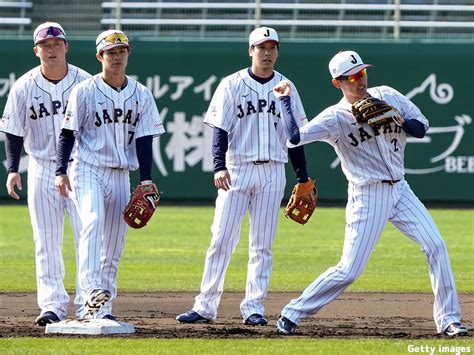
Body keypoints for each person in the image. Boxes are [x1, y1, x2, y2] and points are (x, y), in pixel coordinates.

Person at [273, 50, 468, 337]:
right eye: (351, 77)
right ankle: (293, 311)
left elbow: (422, 128)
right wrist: (285, 101)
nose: (360, 80)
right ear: (337, 83)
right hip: (367, 195)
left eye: (362, 73)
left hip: (401, 190)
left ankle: (449, 319)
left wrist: (399, 119)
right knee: (350, 269)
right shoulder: (335, 117)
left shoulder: (388, 94)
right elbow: (294, 138)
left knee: (436, 245)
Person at [176, 27, 312, 326]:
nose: (266, 52)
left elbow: (295, 135)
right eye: (261, 47)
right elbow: (219, 129)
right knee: (221, 239)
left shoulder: (286, 86)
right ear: (250, 51)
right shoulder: (232, 85)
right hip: (237, 169)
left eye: (272, 47)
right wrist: (218, 166)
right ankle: (205, 305)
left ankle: (254, 307)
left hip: (273, 171)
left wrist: (303, 177)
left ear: (277, 51)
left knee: (262, 245)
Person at [54, 29, 165, 321]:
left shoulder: (141, 94)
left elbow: (145, 139)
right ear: (99, 56)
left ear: (128, 55)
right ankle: (90, 290)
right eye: (110, 52)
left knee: (115, 244)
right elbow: (67, 133)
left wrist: (145, 179)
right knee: (92, 221)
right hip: (88, 168)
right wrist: (60, 171)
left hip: (120, 174)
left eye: (121, 51)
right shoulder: (85, 90)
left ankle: (101, 308)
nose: (117, 57)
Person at [0, 22, 91, 326]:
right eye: (45, 45)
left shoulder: (86, 82)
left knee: (88, 238)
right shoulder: (24, 86)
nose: (51, 50)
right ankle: (52, 304)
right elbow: (12, 131)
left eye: (57, 44)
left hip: (80, 167)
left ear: (66, 47)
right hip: (40, 166)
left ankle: (88, 303)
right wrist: (13, 169)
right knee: (46, 240)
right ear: (36, 50)